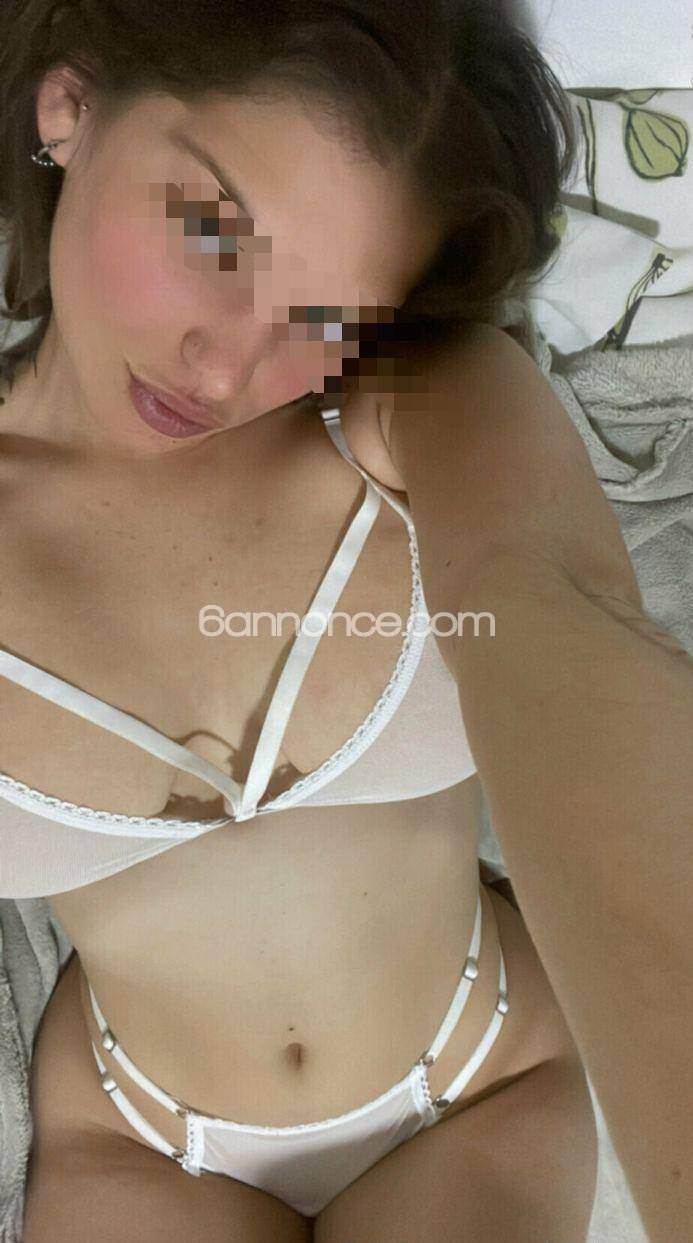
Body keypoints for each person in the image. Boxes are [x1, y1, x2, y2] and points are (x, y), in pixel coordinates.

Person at [0, 1, 656, 1240]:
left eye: (329, 318)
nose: (224, 367)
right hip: (136, 1143)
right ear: (70, 103)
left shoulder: (420, 418)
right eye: (212, 232)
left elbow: (574, 637)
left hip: (480, 1085)